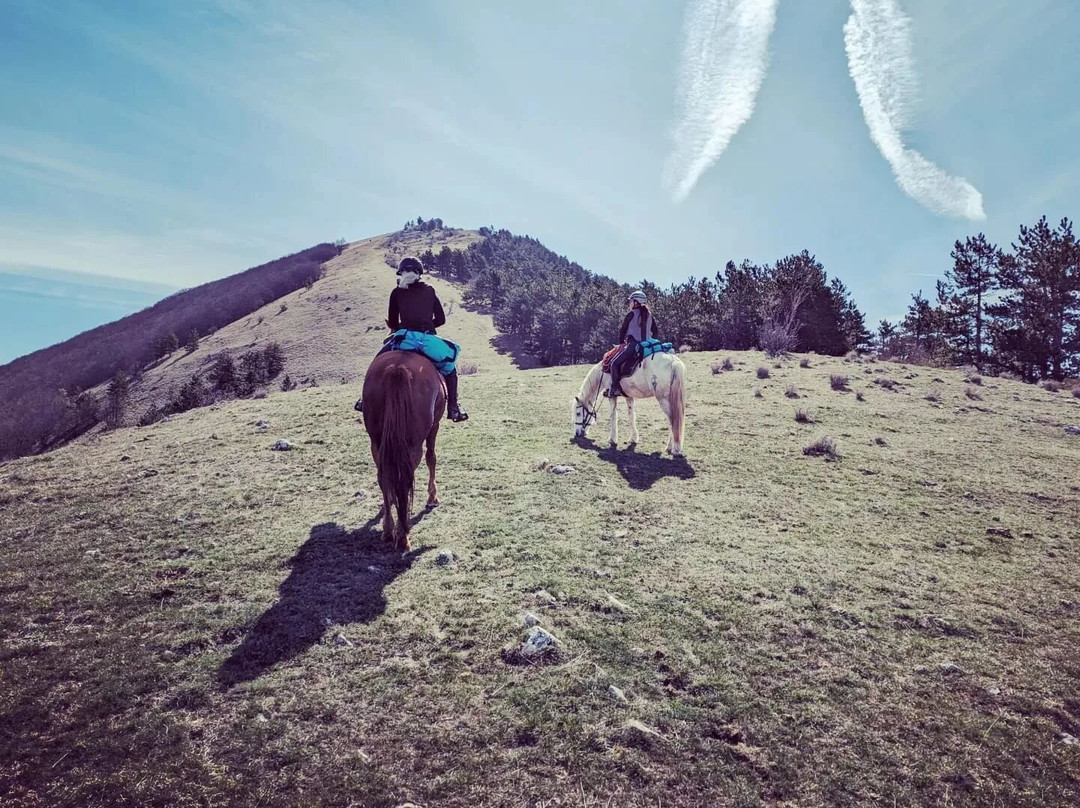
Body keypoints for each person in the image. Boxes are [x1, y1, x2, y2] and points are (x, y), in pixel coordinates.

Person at [355, 256, 469, 421]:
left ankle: (364, 401)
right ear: (419, 273)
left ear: (401, 273)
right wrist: (427, 325)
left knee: (377, 361)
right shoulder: (430, 290)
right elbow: (441, 319)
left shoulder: (396, 293)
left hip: (404, 339)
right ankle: (453, 408)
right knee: (451, 369)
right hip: (427, 341)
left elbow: (393, 323)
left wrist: (405, 325)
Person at [605, 290, 660, 398]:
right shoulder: (649, 315)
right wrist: (650, 341)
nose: (630, 303)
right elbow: (656, 331)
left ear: (636, 302)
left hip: (633, 346)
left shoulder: (631, 314)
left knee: (613, 363)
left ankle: (615, 389)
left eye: (631, 301)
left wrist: (621, 343)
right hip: (647, 346)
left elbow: (623, 330)